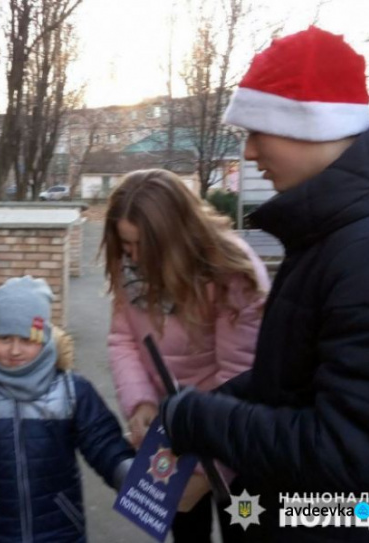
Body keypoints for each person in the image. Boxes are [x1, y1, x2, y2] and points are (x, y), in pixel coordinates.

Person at [160, 26, 369, 542]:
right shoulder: (337, 230)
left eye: (258, 130)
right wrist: (214, 402)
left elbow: (360, 464)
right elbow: (297, 379)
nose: (250, 153)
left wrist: (203, 419)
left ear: (311, 126)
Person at [101, 168, 269, 542]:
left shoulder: (230, 273)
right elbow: (123, 340)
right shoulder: (130, 268)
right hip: (174, 433)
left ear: (175, 235)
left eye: (143, 245)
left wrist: (208, 472)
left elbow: (241, 382)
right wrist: (140, 404)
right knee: (187, 532)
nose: (133, 258)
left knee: (243, 529)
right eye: (126, 245)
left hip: (233, 447)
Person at [0, 276, 135, 542]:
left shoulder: (71, 391)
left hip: (60, 530)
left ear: (45, 337)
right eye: (5, 338)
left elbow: (102, 441)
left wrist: (126, 471)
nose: (15, 350)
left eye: (26, 339)